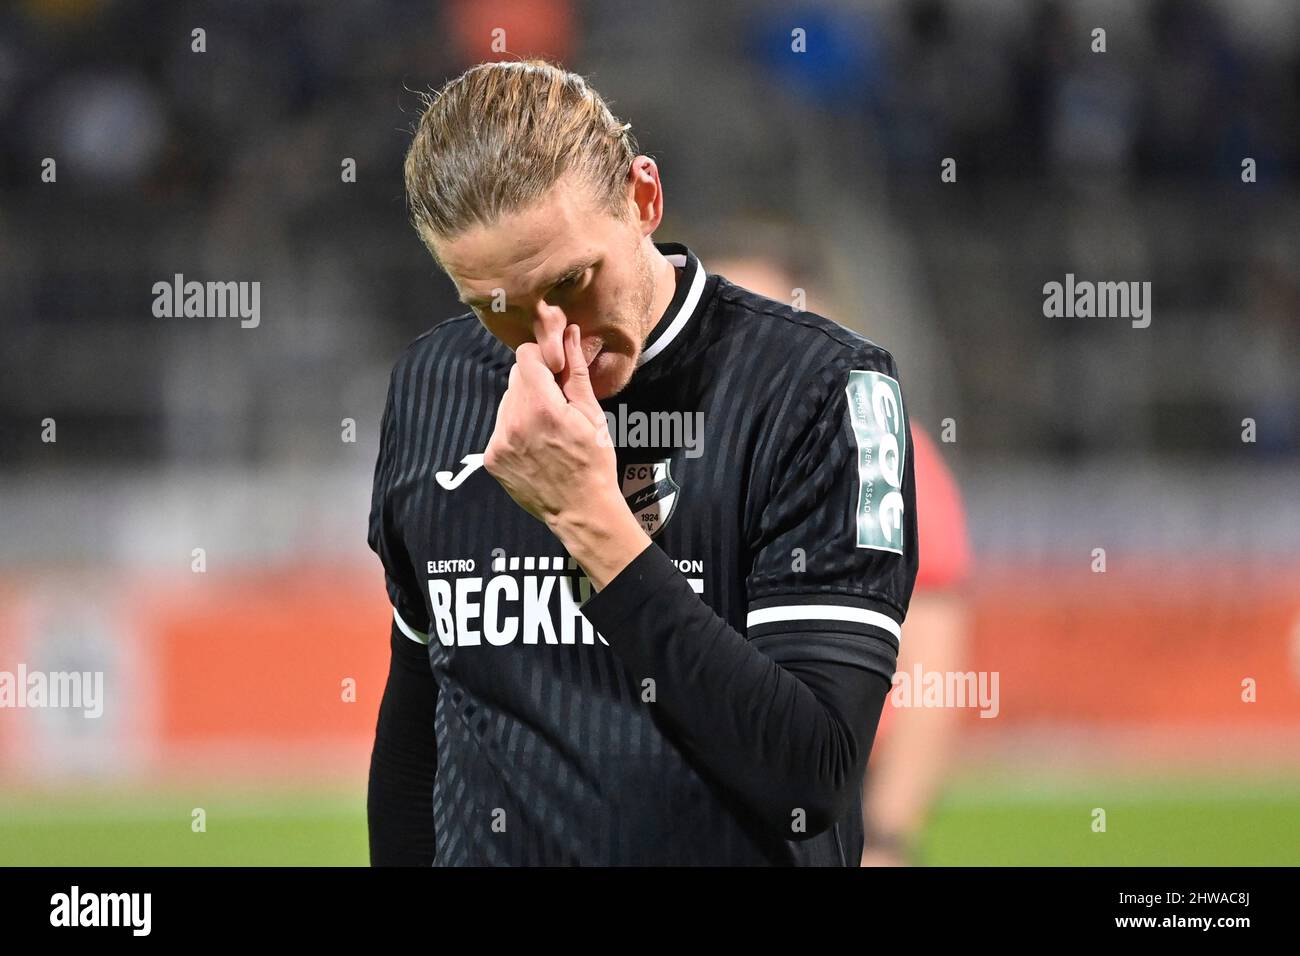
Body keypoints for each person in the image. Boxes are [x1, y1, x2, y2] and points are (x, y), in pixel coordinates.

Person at [367, 58, 918, 866]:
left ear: (643, 199)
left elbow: (811, 780)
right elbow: (420, 719)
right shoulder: (431, 385)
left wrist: (592, 523)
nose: (554, 340)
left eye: (572, 282)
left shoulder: (820, 389)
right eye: (496, 309)